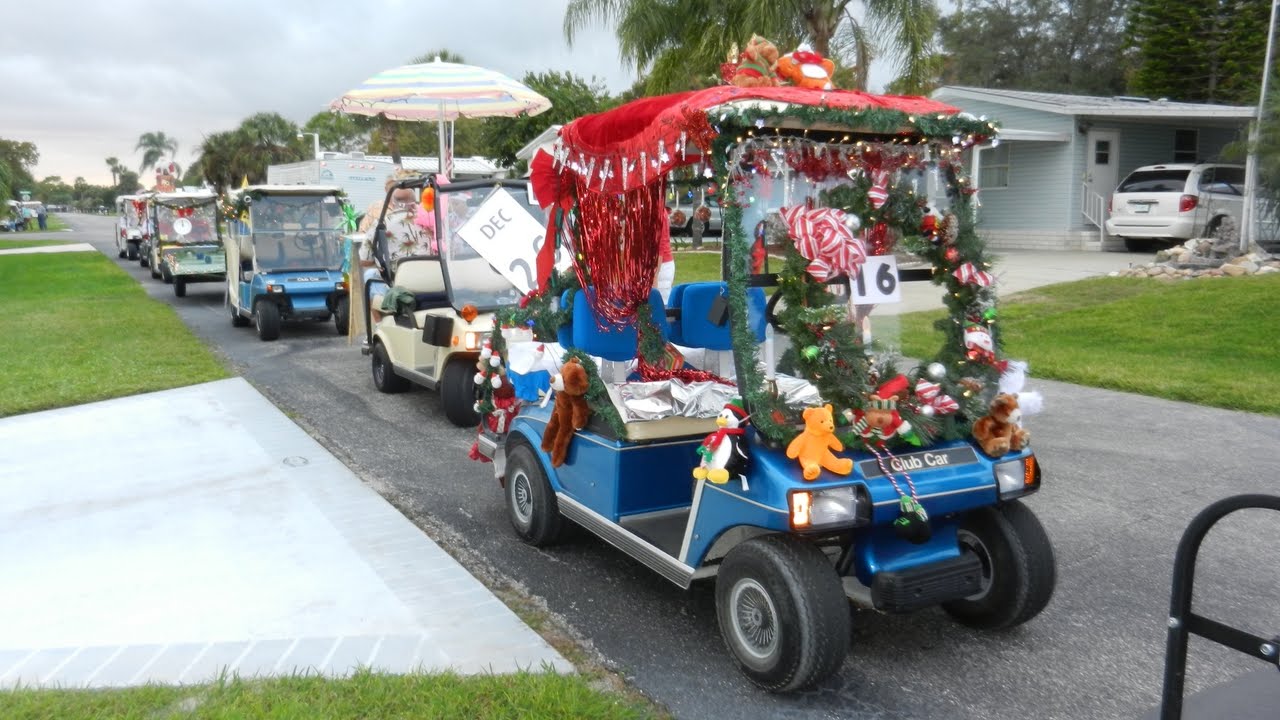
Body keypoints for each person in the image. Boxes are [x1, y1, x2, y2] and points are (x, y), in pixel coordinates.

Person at [655, 221, 675, 303]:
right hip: (651, 264)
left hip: (660, 265)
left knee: (660, 305)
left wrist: (655, 273)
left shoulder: (657, 212)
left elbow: (660, 244)